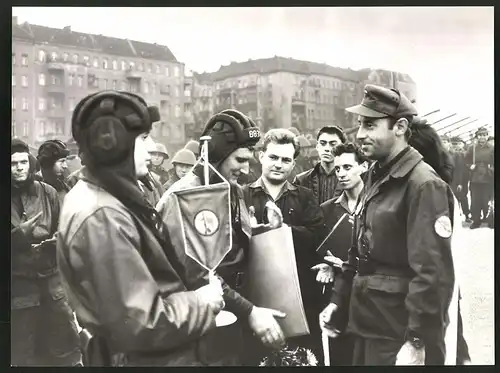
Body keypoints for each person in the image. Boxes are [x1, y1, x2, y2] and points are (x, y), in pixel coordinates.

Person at [56, 90, 225, 366]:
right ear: (113, 145)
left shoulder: (105, 198)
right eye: (143, 139)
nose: (151, 149)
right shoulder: (103, 216)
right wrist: (202, 303)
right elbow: (141, 323)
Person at [320, 84, 455, 365]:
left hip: (399, 335)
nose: (359, 134)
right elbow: (359, 253)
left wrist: (417, 340)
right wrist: (337, 301)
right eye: (360, 124)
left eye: (370, 125)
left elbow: (432, 274)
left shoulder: (423, 185)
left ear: (400, 127)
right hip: (369, 327)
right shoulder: (376, 175)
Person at [156, 109, 286, 366]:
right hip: (202, 320)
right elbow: (196, 272)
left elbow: (230, 242)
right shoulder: (184, 198)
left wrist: (265, 230)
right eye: (239, 160)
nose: (247, 169)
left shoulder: (232, 189)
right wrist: (250, 311)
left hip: (233, 311)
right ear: (215, 155)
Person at [242, 128, 325, 364]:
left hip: (299, 301)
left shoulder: (305, 196)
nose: (279, 164)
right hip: (255, 299)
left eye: (286, 159)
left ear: (293, 163)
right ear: (261, 156)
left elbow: (318, 237)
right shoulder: (242, 195)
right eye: (273, 157)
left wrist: (283, 229)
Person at [11, 139, 82, 366]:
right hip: (19, 289)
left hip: (53, 286)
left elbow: (66, 230)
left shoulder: (48, 192)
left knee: (65, 349)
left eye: (23, 162)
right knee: (23, 353)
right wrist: (18, 237)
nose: (20, 167)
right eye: (13, 164)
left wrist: (56, 241)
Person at [407, 118, 471, 365]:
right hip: (436, 290)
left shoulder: (430, 189)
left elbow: (432, 263)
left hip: (433, 292)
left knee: (446, 347)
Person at [313, 142, 368, 365]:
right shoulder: (327, 209)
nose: (341, 174)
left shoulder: (377, 203)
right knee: (339, 356)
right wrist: (328, 264)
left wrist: (345, 263)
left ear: (363, 167)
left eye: (347, 167)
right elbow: (321, 249)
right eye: (337, 169)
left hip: (368, 293)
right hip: (339, 294)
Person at [294, 126, 347, 204]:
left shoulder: (351, 179)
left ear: (342, 148)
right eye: (323, 143)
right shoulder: (302, 180)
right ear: (317, 147)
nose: (327, 148)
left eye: (333, 144)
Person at [465, 127, 494, 229]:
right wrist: (470, 167)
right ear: (477, 136)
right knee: (475, 200)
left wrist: (491, 169)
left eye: (484, 135)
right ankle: (476, 221)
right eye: (480, 135)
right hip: (475, 178)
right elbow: (465, 161)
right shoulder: (471, 148)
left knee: (487, 200)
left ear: (487, 136)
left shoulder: (492, 148)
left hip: (487, 177)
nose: (482, 137)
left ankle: (490, 220)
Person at [37, 139, 72, 204]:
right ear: (48, 162)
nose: (65, 166)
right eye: (61, 161)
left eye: (65, 161)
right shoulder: (35, 190)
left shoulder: (65, 187)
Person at [450, 136, 472, 223]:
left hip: (463, 178)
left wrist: (460, 182)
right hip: (453, 178)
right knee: (454, 197)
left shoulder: (463, 153)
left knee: (463, 197)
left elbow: (461, 169)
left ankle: (467, 215)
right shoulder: (449, 154)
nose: (456, 146)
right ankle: (456, 215)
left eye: (458, 143)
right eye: (454, 144)